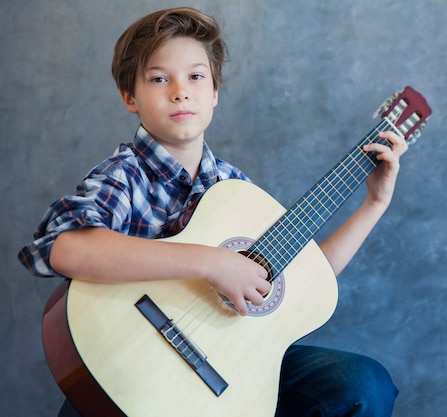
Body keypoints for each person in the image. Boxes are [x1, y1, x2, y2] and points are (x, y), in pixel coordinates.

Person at [19, 7, 405, 417]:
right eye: (159, 78)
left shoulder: (233, 187)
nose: (180, 91)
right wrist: (212, 263)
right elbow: (65, 250)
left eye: (196, 76)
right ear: (129, 96)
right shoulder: (123, 176)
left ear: (215, 92)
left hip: (224, 369)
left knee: (363, 383)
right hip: (130, 374)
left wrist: (374, 204)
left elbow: (302, 280)